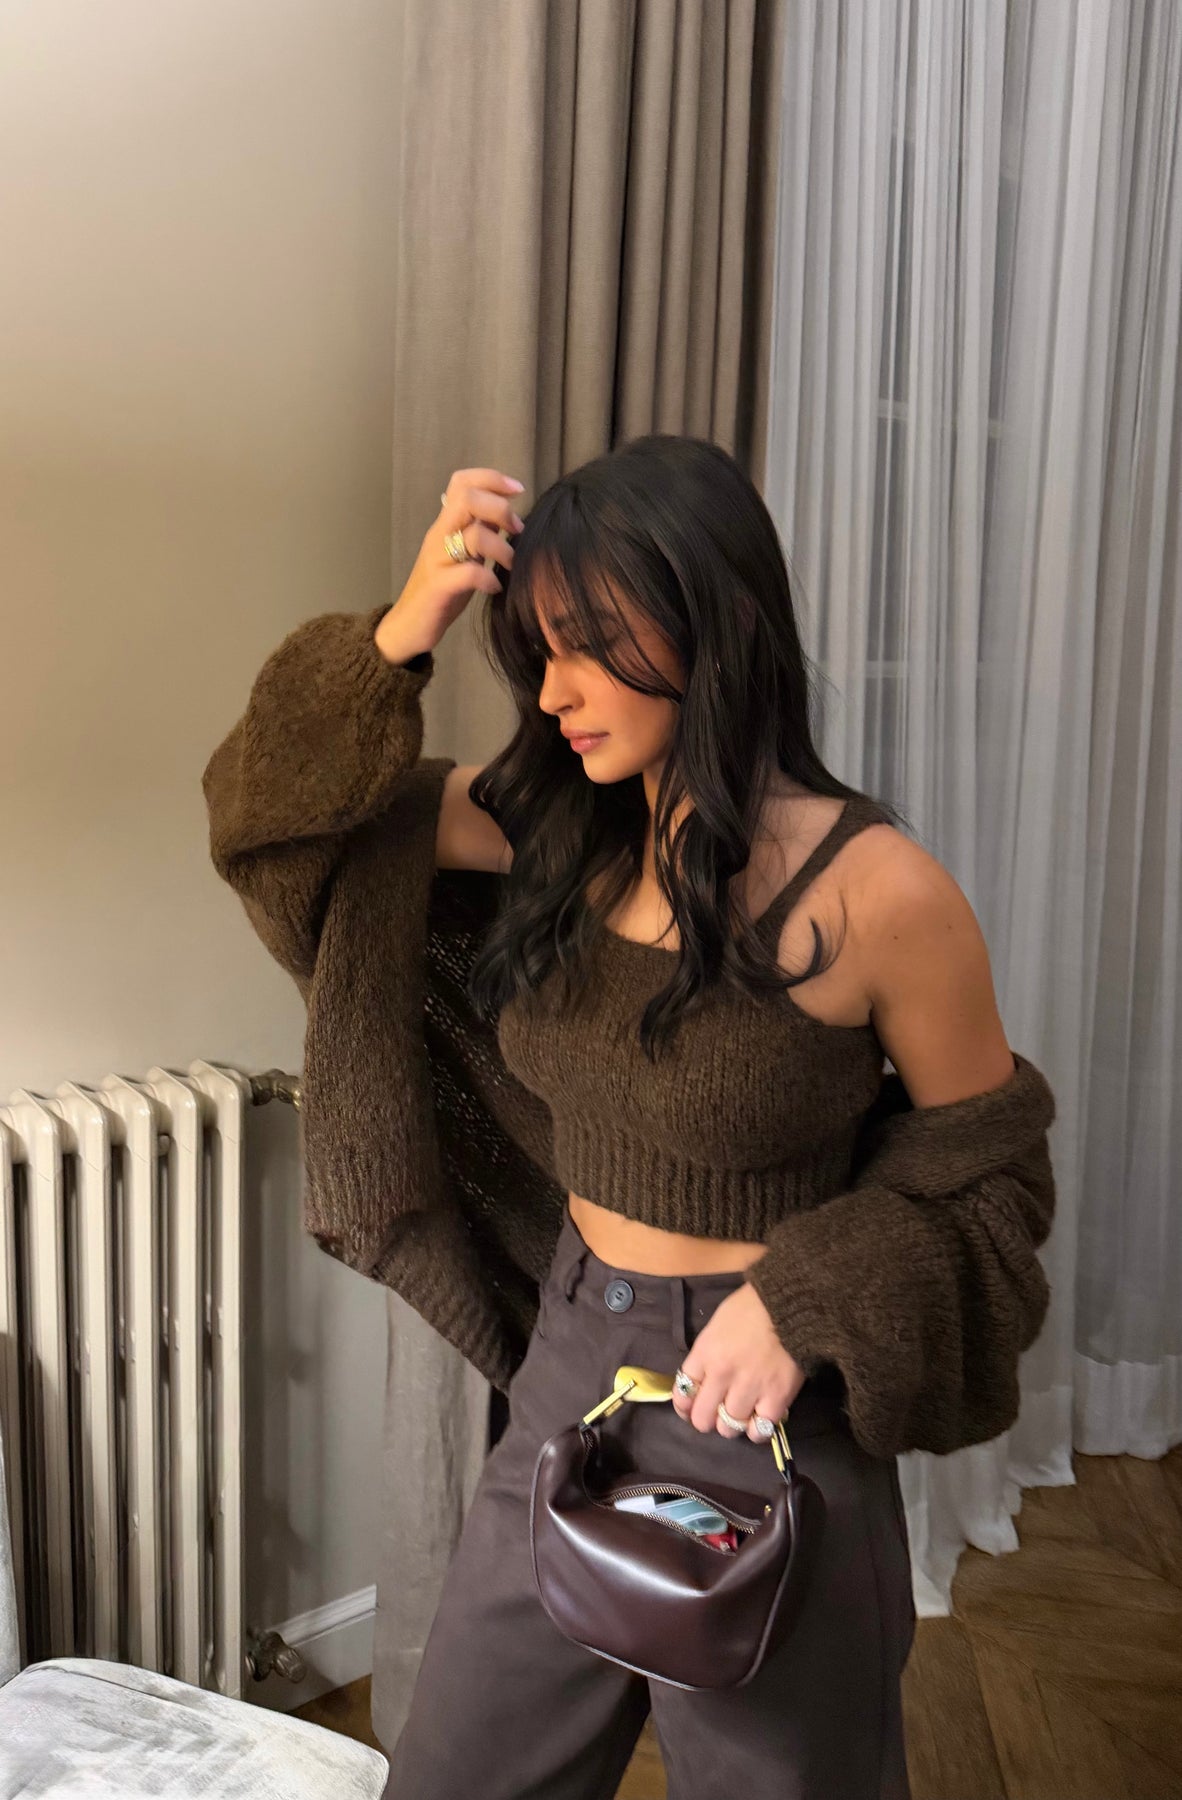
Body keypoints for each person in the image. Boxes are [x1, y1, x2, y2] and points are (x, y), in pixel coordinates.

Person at [202, 435, 1058, 1800]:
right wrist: (402, 629)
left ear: (713, 623)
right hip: (573, 1373)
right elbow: (274, 825)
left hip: (770, 1410)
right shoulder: (555, 834)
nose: (555, 693)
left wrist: (806, 1298)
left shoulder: (882, 895)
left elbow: (993, 1184)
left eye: (590, 646)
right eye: (538, 651)